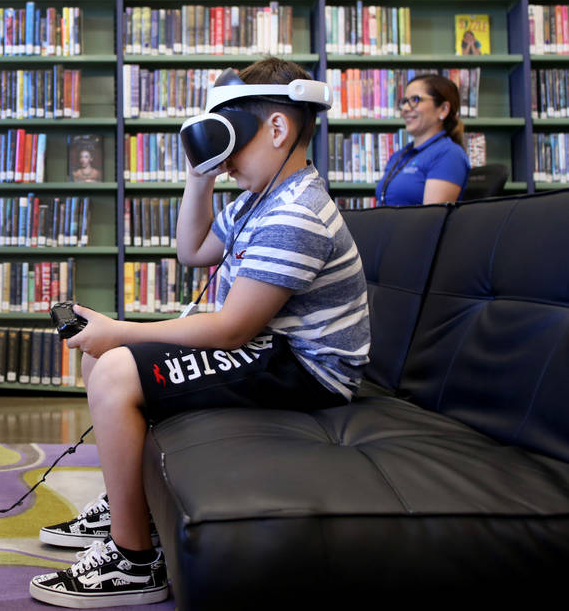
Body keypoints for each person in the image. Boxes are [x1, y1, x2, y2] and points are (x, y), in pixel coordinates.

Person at [30, 57, 371, 608]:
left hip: (307, 370)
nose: (227, 154)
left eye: (232, 135)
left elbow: (233, 327)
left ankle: (134, 561)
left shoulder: (298, 214)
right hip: (270, 351)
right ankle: (128, 508)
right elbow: (192, 252)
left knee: (116, 364)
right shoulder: (260, 200)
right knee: (109, 356)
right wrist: (200, 172)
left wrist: (120, 329)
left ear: (279, 128)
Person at [375, 74, 470, 205]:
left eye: (416, 100)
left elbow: (432, 219)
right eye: (404, 101)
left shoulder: (449, 154)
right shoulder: (400, 155)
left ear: (443, 109)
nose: (405, 109)